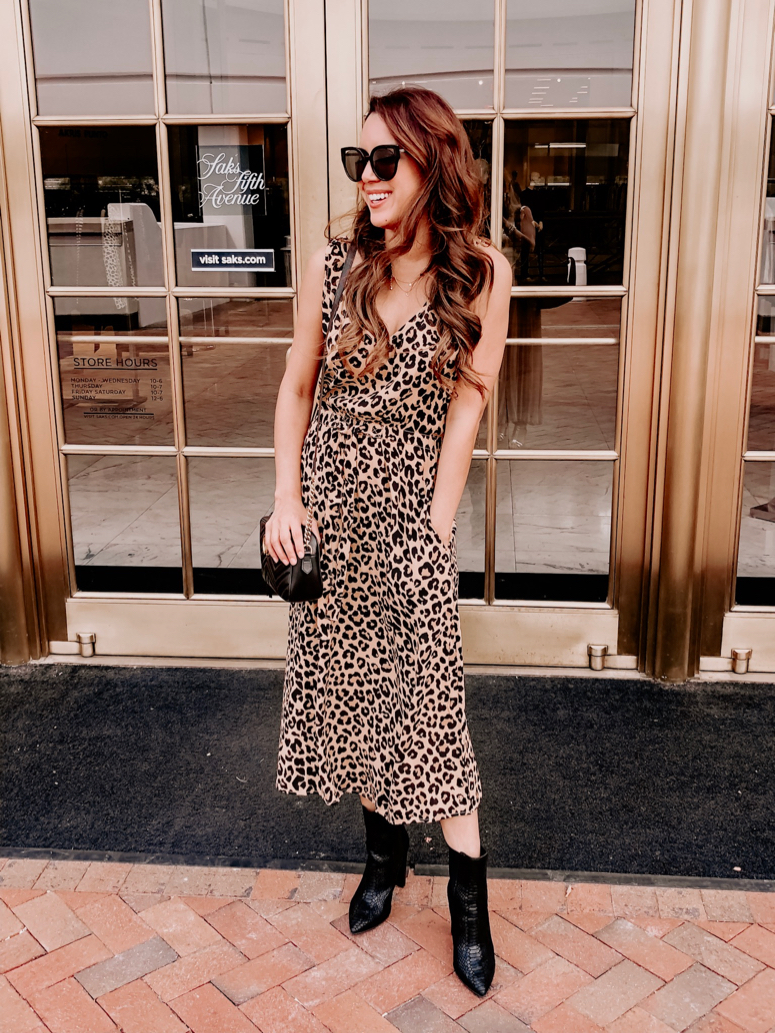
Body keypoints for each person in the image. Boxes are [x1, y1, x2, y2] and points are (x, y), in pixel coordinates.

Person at [265, 85, 511, 996]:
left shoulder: (481, 271)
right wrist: (286, 498)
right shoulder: (335, 265)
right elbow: (296, 387)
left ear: (431, 164)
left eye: (383, 161)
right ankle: (381, 863)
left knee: (433, 716)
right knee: (357, 699)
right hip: (333, 516)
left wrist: (437, 526)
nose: (365, 179)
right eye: (355, 162)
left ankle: (468, 910)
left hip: (411, 518)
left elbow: (467, 407)